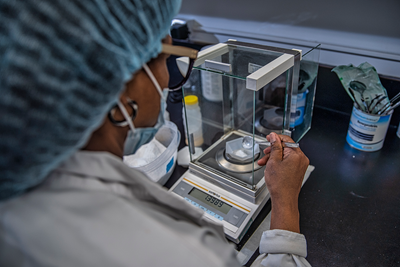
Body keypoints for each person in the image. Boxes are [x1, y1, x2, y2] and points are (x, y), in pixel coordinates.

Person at [0, 0, 311, 266]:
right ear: (116, 85)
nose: (167, 77)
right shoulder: (186, 254)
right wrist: (284, 202)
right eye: (165, 56)